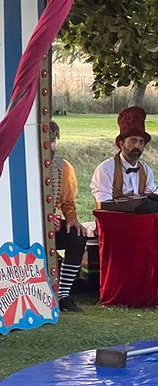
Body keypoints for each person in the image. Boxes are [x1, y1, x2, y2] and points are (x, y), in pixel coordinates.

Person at [49, 121, 88, 313]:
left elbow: (66, 201)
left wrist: (71, 219)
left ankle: (63, 295)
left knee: (76, 235)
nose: (50, 144)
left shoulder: (62, 167)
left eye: (53, 140)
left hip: (51, 226)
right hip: (26, 228)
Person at [90, 106, 157, 206]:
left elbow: (153, 198)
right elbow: (104, 205)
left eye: (141, 142)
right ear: (121, 144)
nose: (137, 146)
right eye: (133, 141)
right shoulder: (105, 169)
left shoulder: (146, 170)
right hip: (113, 221)